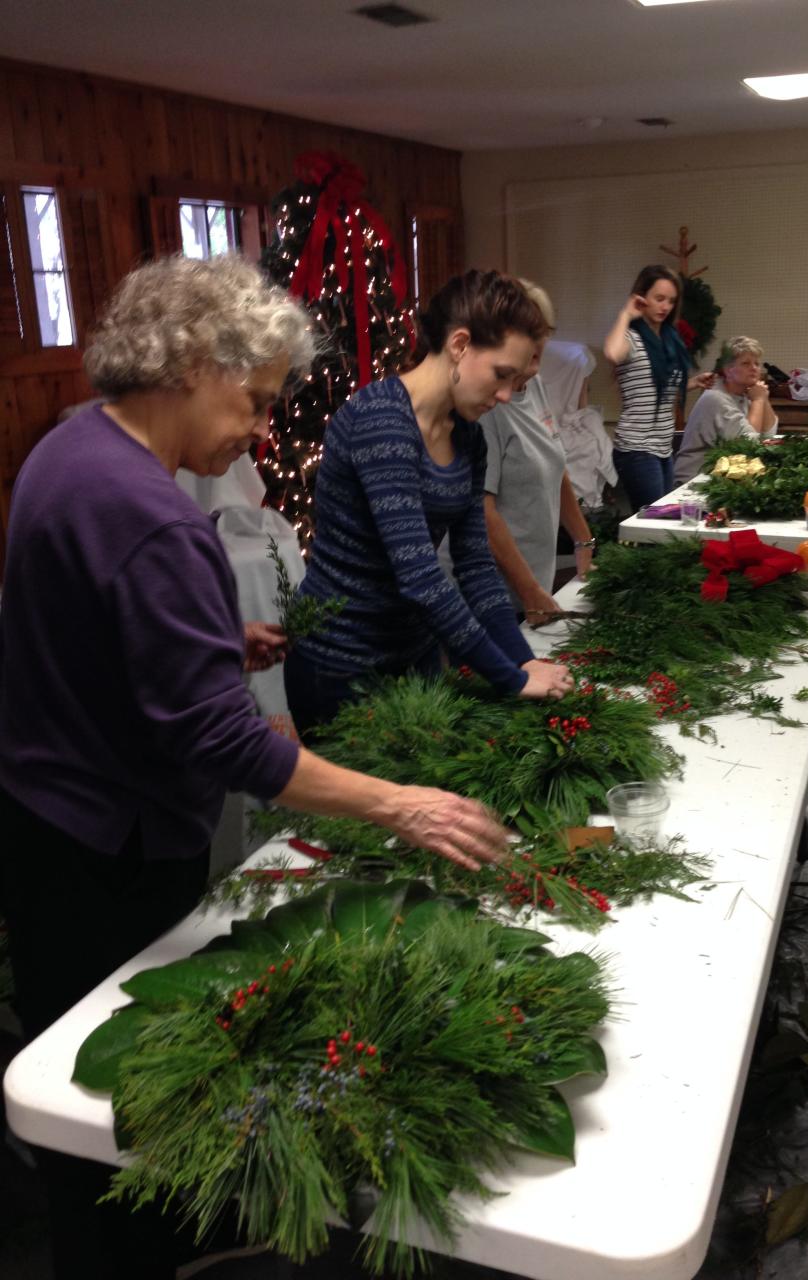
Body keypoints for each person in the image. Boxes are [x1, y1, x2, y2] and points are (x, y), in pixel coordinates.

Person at [0, 254, 506, 1280]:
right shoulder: (157, 518)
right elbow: (224, 744)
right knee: (111, 1102)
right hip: (112, 851)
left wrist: (215, 644)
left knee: (74, 1074)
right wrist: (398, 801)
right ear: (190, 359)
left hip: (39, 822)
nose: (263, 432)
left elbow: (87, 633)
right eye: (257, 399)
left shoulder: (65, 448)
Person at [283, 269, 574, 734]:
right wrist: (509, 677)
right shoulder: (382, 422)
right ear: (459, 345)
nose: (504, 395)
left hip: (414, 656)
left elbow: (476, 566)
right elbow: (419, 577)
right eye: (501, 374)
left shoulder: (470, 439)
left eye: (515, 380)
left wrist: (523, 663)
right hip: (342, 665)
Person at [480, 280, 596, 625]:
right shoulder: (487, 405)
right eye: (527, 332)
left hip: (535, 582)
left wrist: (583, 540)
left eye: (542, 332)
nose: (537, 344)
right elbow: (483, 515)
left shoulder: (536, 387)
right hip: (498, 594)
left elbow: (555, 464)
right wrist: (530, 593)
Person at [602, 263, 714, 511]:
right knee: (654, 522)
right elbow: (611, 353)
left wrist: (694, 382)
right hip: (637, 449)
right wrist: (625, 314)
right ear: (642, 297)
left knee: (659, 523)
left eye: (671, 301)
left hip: (662, 448)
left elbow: (658, 391)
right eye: (659, 298)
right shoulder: (631, 337)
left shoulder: (668, 340)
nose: (665, 307)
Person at [673, 336, 779, 484]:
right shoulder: (716, 398)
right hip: (694, 482)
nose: (754, 368)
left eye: (757, 363)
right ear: (728, 370)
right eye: (746, 363)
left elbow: (768, 436)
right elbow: (747, 445)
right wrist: (758, 400)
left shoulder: (745, 394)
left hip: (721, 480)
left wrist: (763, 398)